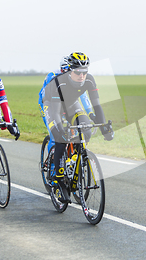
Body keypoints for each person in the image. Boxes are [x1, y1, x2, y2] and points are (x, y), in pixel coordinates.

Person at [40, 52, 113, 203]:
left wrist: (103, 125)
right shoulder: (58, 81)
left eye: (84, 72)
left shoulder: (89, 80)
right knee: (59, 137)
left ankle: (74, 157)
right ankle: (58, 179)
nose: (82, 76)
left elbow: (95, 105)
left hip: (71, 104)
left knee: (85, 129)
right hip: (51, 105)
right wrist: (59, 130)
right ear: (69, 70)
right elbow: (55, 111)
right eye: (78, 72)